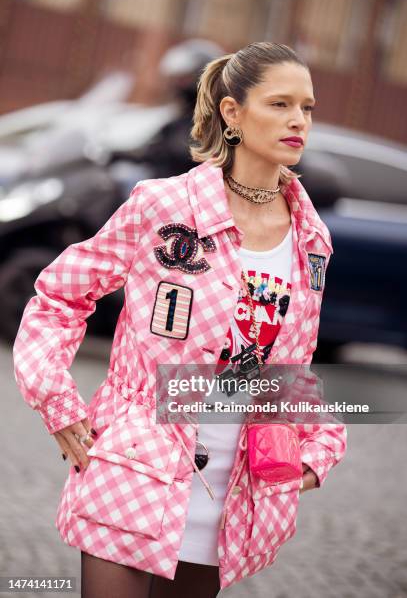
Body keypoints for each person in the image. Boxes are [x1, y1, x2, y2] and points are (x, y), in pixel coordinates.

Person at [13, 42, 347, 598]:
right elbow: (58, 295)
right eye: (280, 104)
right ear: (232, 113)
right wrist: (57, 401)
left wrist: (314, 453)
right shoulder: (163, 206)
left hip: (234, 493)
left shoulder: (312, 238)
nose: (298, 120)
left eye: (307, 107)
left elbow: (289, 371)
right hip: (135, 466)